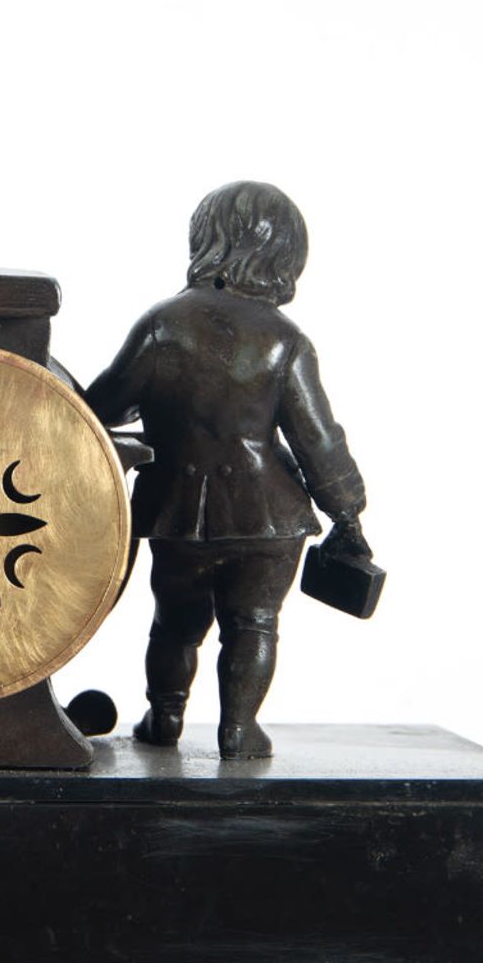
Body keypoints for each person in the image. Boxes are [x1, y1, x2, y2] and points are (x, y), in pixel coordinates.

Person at [85, 180, 371, 760]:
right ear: (286, 254)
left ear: (206, 239)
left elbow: (98, 408)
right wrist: (348, 510)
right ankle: (239, 728)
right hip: (269, 515)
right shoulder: (285, 341)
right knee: (256, 622)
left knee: (173, 621)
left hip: (176, 509)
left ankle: (164, 715)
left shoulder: (163, 325)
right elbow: (319, 441)